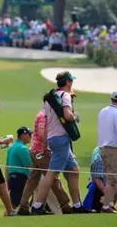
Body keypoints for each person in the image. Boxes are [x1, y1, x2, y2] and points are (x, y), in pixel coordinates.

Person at [31, 71, 90, 214]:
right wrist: (76, 117)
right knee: (52, 173)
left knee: (74, 170)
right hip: (61, 138)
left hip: (53, 138)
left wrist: (45, 144)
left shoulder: (49, 99)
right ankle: (37, 206)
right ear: (68, 82)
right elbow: (68, 116)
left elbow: (46, 123)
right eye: (71, 81)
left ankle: (77, 205)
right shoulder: (65, 96)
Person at [18, 103, 71, 214]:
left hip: (35, 151)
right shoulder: (44, 116)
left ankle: (23, 206)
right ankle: (65, 205)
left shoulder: (41, 114)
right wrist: (49, 146)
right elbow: (42, 134)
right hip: (42, 153)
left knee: (32, 180)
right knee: (53, 179)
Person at [97, 91, 117, 212]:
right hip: (113, 148)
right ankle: (106, 206)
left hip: (103, 148)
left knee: (112, 179)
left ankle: (108, 204)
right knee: (113, 180)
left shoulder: (103, 111)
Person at [6, 127, 33, 209]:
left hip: (12, 178)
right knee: (14, 204)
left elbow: (7, 166)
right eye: (29, 134)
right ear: (23, 135)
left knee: (14, 202)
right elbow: (29, 165)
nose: (30, 136)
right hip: (20, 179)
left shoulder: (11, 147)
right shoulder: (23, 149)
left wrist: (7, 180)